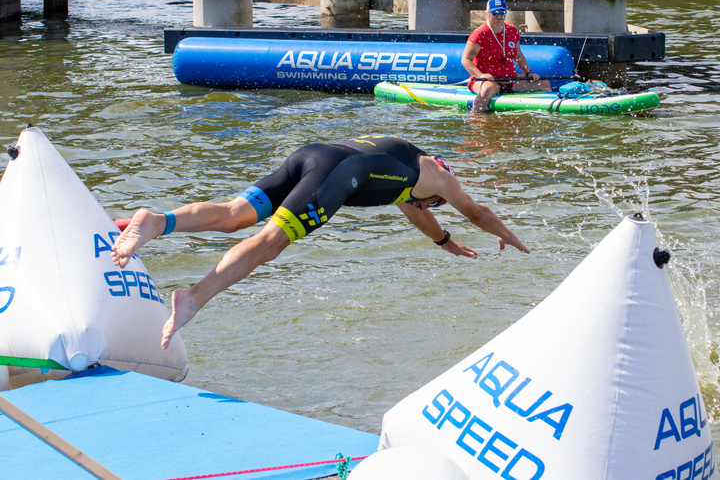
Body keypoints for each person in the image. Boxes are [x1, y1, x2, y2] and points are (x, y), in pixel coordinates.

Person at [110, 135, 531, 349]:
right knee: (271, 241)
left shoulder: (405, 175)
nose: (430, 205)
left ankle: (153, 222)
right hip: (335, 175)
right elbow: (477, 212)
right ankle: (194, 298)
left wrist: (445, 242)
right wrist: (508, 235)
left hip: (311, 156)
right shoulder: (438, 176)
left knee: (232, 215)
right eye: (435, 203)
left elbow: (419, 215)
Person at [462, 0, 552, 113]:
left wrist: (529, 72)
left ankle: (549, 114)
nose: (499, 16)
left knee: (544, 84)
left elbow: (518, 55)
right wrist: (481, 75)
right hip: (487, 81)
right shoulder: (480, 33)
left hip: (509, 80)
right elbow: (466, 60)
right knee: (487, 90)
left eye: (502, 12)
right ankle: (477, 121)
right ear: (487, 13)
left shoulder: (512, 30)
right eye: (495, 12)